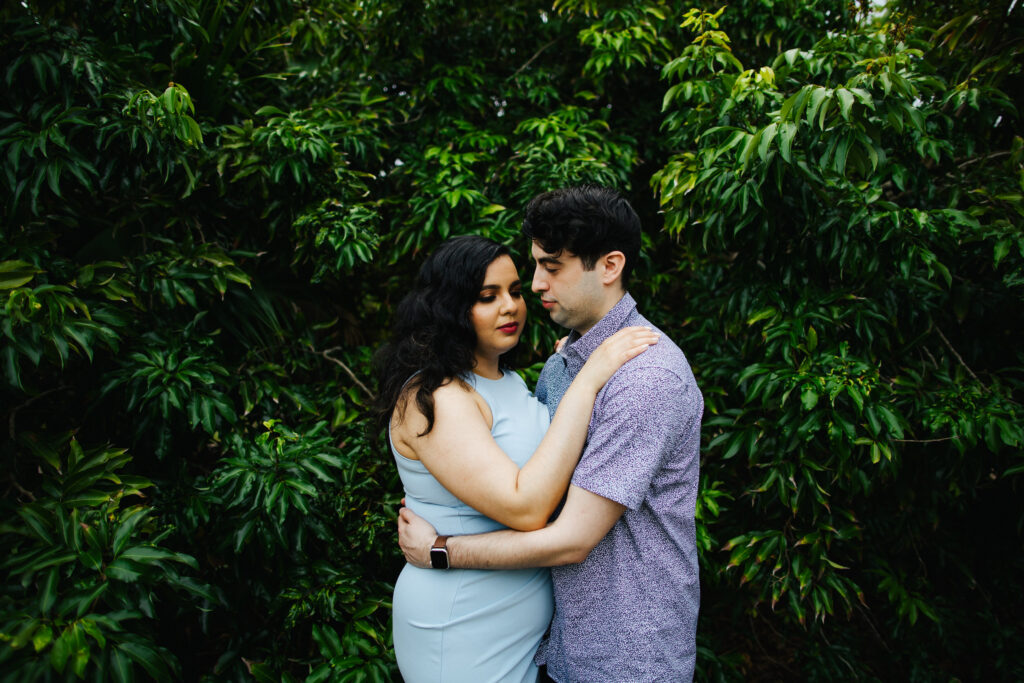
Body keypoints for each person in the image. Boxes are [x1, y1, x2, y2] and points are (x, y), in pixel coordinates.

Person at [398, 185, 704, 682]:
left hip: (627, 659)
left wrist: (442, 550)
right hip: (558, 650)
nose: (536, 285)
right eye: (534, 267)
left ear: (609, 266)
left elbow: (572, 539)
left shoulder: (646, 379)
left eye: (553, 267)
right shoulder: (561, 369)